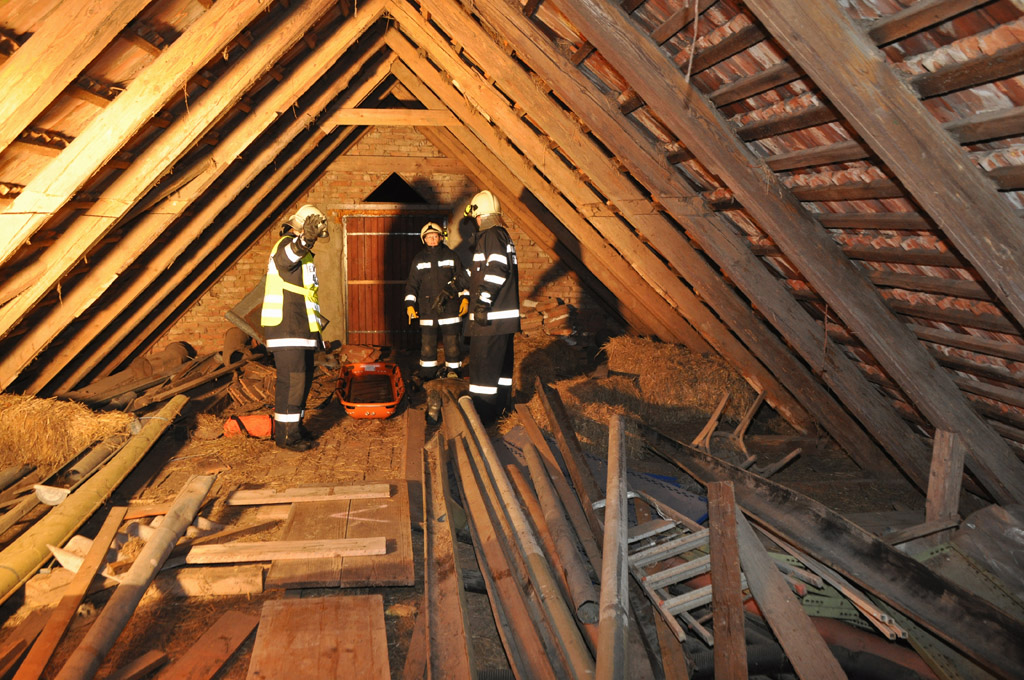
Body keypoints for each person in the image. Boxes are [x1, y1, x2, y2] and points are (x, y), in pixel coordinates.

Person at [260, 204, 329, 452]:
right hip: (287, 328)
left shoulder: (305, 253)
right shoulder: (286, 245)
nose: (314, 240)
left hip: (300, 329)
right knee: (292, 383)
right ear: (302, 227)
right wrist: (305, 240)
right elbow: (286, 258)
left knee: (302, 382)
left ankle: (294, 428)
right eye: (312, 233)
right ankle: (287, 436)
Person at [464, 190, 520, 424]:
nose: (475, 223)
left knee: (483, 372)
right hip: (502, 321)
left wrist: (482, 302)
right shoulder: (500, 236)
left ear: (480, 215)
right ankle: (501, 411)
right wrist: (456, 286)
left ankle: (483, 417)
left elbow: (497, 270)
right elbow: (479, 273)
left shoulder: (491, 236)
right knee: (500, 371)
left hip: (491, 319)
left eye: (474, 218)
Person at [404, 222, 468, 385]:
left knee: (452, 343)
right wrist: (410, 305)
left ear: (440, 237)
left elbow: (462, 279)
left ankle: (453, 372)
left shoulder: (452, 256)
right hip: (427, 309)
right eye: (429, 237)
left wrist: (465, 299)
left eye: (435, 236)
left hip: (450, 307)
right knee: (427, 344)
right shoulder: (419, 259)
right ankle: (428, 373)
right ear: (423, 239)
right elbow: (412, 285)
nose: (432, 239)